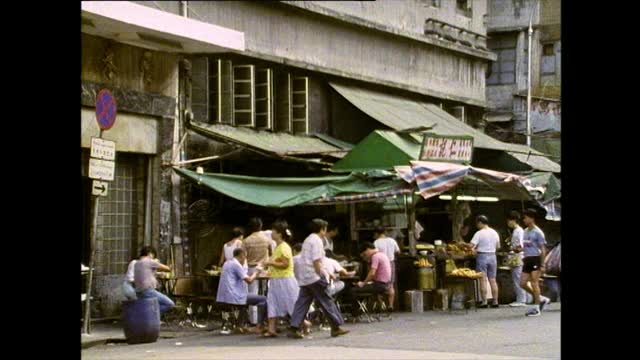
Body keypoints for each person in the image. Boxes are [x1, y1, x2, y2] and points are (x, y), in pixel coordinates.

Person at [288, 219, 349, 339]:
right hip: (314, 276)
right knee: (326, 300)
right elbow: (316, 261)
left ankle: (293, 327)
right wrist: (323, 274)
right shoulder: (317, 241)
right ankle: (336, 327)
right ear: (322, 229)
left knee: (302, 302)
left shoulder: (307, 240)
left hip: (305, 277)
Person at [261, 220, 299, 337]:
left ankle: (303, 324)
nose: (271, 233)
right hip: (276, 279)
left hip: (285, 280)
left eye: (273, 231)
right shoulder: (277, 247)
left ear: (279, 234)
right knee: (272, 302)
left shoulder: (284, 247)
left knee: (290, 303)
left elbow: (285, 264)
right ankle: (271, 329)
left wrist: (270, 263)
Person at [216, 248, 268, 333]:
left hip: (224, 296)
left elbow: (243, 276)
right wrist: (257, 272)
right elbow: (250, 281)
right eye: (245, 257)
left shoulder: (227, 263)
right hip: (235, 295)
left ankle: (240, 325)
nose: (245, 260)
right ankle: (259, 325)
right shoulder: (236, 265)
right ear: (242, 256)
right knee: (263, 299)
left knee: (250, 299)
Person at [346, 242, 392, 316]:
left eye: (364, 254)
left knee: (353, 290)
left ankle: (355, 313)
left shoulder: (375, 257)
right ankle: (360, 310)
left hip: (379, 285)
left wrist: (363, 283)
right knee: (360, 289)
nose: (365, 257)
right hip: (385, 284)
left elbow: (372, 273)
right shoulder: (382, 254)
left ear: (367, 250)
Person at [520, 209, 551, 317]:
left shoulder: (538, 232)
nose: (524, 220)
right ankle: (541, 298)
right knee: (522, 283)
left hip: (535, 258)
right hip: (527, 258)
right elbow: (525, 246)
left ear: (531, 218)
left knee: (534, 282)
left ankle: (536, 308)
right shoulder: (525, 231)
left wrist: (543, 264)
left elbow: (543, 249)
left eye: (525, 218)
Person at [465, 215, 501, 308]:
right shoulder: (494, 232)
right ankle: (495, 301)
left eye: (477, 223)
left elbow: (470, 246)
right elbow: (498, 246)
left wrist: (463, 244)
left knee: (483, 279)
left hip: (482, 256)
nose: (477, 226)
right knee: (493, 280)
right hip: (493, 256)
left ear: (480, 222)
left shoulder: (479, 233)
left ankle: (484, 302)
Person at [242, 217, 271, 325]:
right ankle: (266, 318)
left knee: (252, 294)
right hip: (264, 269)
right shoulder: (267, 240)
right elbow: (271, 254)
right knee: (265, 293)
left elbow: (243, 257)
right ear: (261, 226)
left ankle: (254, 320)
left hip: (251, 268)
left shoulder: (246, 241)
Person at [133, 246, 175, 314]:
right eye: (153, 255)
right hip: (148, 291)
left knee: (153, 305)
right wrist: (170, 266)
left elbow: (146, 273)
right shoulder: (149, 261)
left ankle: (147, 314)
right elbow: (168, 269)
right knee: (170, 304)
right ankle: (148, 314)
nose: (153, 257)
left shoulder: (137, 263)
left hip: (138, 292)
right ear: (150, 253)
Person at [373, 227, 400, 310]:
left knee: (378, 284)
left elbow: (375, 254)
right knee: (391, 285)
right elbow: (398, 251)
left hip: (381, 264)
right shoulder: (392, 241)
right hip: (391, 263)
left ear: (377, 234)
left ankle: (381, 304)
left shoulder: (376, 242)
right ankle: (390, 305)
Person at [506, 211, 527, 307]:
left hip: (518, 257)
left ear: (514, 220)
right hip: (515, 257)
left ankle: (521, 300)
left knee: (517, 278)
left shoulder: (519, 231)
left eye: (509, 221)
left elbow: (521, 246)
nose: (508, 223)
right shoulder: (515, 231)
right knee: (517, 278)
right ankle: (523, 298)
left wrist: (512, 249)